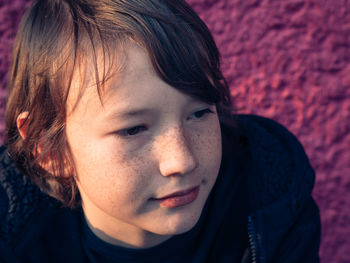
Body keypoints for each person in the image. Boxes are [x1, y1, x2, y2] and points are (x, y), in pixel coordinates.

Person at [0, 0, 320, 262]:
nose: (182, 161)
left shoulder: (270, 199)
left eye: (199, 113)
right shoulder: (18, 242)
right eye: (133, 129)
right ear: (51, 150)